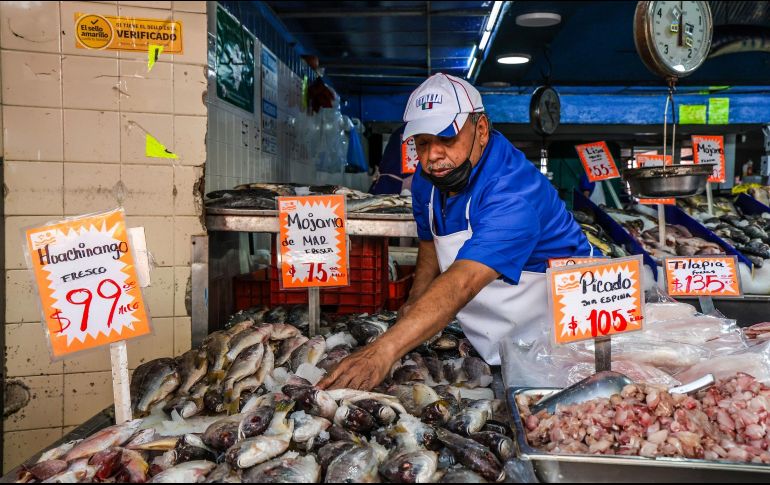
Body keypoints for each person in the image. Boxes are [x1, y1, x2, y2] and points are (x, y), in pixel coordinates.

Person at [319, 73, 594, 390]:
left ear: (481, 130)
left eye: (446, 139)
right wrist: (414, 303)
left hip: (565, 339)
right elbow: (429, 242)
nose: (433, 155)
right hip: (499, 342)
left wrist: (382, 352)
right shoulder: (428, 180)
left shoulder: (514, 192)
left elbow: (464, 280)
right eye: (423, 143)